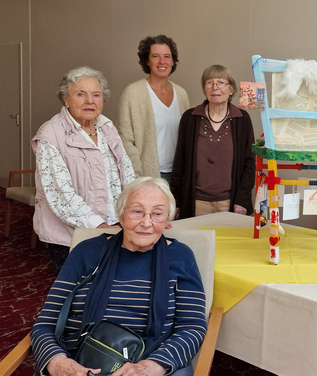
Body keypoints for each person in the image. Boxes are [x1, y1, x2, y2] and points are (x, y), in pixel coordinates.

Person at [16, 177, 207, 376]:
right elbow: (46, 323)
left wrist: (151, 367)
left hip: (149, 365)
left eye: (157, 214)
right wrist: (58, 364)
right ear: (121, 214)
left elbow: (193, 327)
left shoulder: (180, 257)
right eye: (137, 211)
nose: (146, 223)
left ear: (167, 219)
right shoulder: (87, 252)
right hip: (77, 362)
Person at [32, 66, 135, 273]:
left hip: (115, 224)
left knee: (112, 286)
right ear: (66, 99)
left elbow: (126, 172)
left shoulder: (107, 127)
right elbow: (60, 193)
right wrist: (99, 226)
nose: (90, 101)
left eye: (96, 95)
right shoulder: (51, 135)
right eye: (81, 94)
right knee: (78, 292)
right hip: (72, 233)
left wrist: (137, 211)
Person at [170, 64, 255, 218]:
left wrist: (242, 198)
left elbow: (249, 164)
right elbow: (179, 162)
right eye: (209, 83)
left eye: (221, 82)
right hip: (195, 202)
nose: (215, 87)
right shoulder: (190, 118)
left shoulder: (242, 119)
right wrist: (176, 200)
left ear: (231, 89)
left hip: (230, 202)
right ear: (205, 89)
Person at [117, 35, 190, 181]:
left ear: (173, 61)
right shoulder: (133, 93)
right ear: (147, 61)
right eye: (155, 56)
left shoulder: (181, 94)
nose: (162, 61)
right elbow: (124, 140)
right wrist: (138, 175)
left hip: (179, 176)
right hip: (147, 176)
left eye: (167, 56)